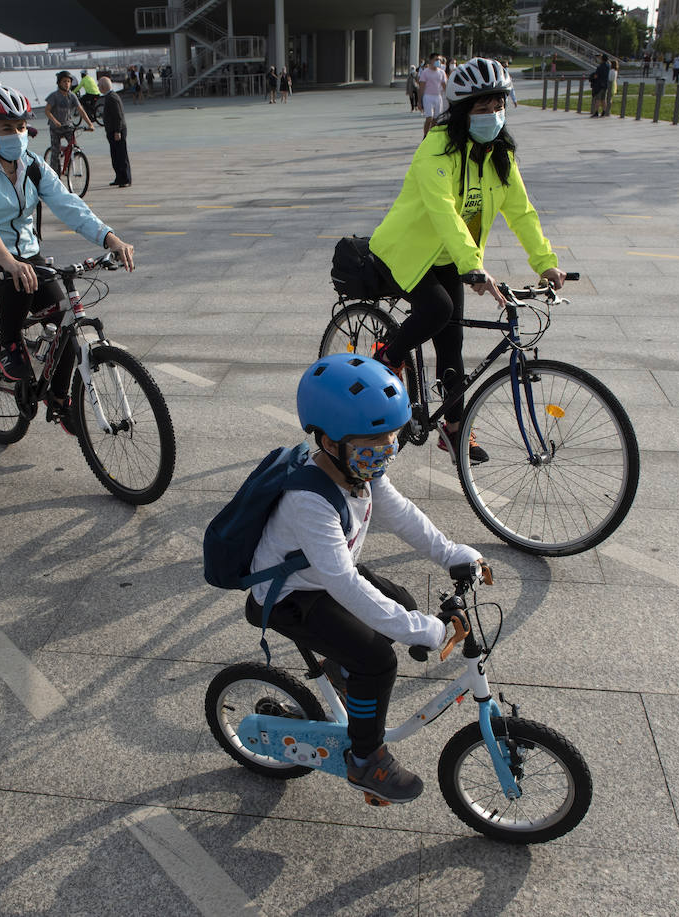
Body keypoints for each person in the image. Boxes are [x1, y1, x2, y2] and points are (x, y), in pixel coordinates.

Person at [245, 355, 485, 803]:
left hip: (322, 576)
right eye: (371, 440)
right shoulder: (308, 500)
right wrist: (419, 630)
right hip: (289, 596)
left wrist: (451, 553)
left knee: (403, 602)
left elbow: (403, 516)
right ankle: (365, 759)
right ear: (328, 439)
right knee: (378, 659)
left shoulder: (361, 471)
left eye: (391, 436)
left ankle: (340, 668)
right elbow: (344, 584)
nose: (386, 448)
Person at [368, 58, 564, 465]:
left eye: (498, 106)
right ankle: (388, 355)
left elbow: (521, 210)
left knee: (452, 342)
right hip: (406, 251)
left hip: (451, 257)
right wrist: (473, 264)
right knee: (437, 309)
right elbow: (444, 212)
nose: (492, 115)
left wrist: (545, 262)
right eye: (481, 108)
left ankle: (453, 431)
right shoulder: (435, 149)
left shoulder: (500, 155)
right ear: (460, 112)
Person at [0, 85, 134, 401]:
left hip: (27, 254)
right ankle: (7, 343)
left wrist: (110, 238)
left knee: (65, 321)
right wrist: (10, 262)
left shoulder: (32, 164)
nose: (17, 133)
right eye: (6, 128)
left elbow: (68, 204)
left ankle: (61, 400)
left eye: (21, 126)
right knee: (17, 279)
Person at [44, 70, 94, 167]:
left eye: (68, 81)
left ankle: (69, 166)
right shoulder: (54, 96)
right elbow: (47, 111)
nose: (67, 84)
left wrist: (90, 124)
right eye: (64, 81)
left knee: (74, 146)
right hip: (55, 128)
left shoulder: (72, 96)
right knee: (55, 152)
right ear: (59, 83)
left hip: (68, 126)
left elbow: (81, 110)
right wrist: (55, 121)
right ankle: (55, 174)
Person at [98, 75, 130, 188]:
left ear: (103, 87)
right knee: (115, 156)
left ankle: (125, 178)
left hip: (117, 131)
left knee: (121, 155)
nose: (97, 87)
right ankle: (119, 177)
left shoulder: (112, 97)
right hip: (112, 131)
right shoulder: (110, 96)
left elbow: (118, 116)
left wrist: (117, 131)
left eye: (98, 85)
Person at [419, 55, 447, 137]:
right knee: (429, 118)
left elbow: (445, 86)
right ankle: (425, 135)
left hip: (438, 97)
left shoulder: (441, 72)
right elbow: (421, 87)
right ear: (431, 60)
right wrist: (419, 101)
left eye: (439, 60)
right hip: (428, 96)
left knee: (436, 119)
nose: (438, 61)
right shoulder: (426, 72)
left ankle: (431, 135)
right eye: (436, 59)